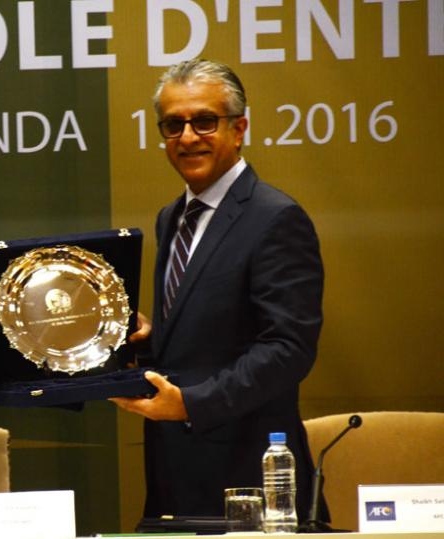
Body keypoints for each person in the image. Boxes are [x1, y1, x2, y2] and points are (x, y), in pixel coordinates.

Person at [110, 59, 327, 524]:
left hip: (250, 479)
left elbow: (289, 348)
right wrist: (148, 341)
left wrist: (191, 404)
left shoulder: (275, 217)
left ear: (239, 127)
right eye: (173, 124)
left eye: (204, 121)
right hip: (174, 477)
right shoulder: (172, 217)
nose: (188, 137)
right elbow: (201, 335)